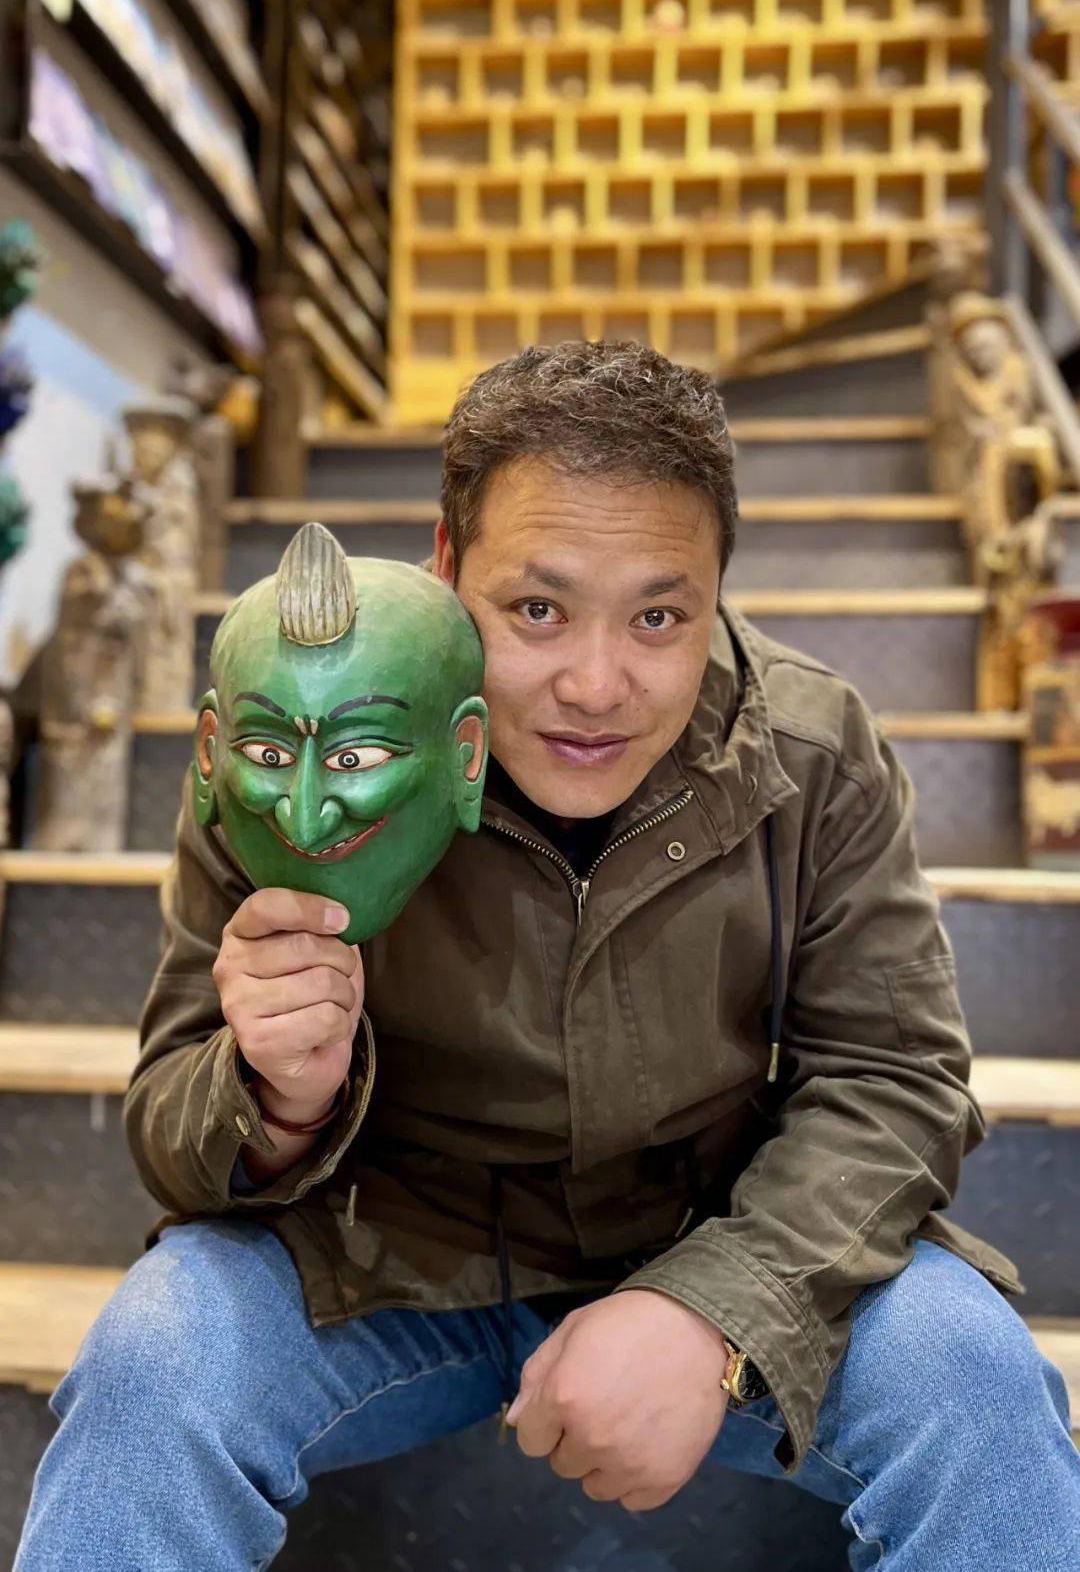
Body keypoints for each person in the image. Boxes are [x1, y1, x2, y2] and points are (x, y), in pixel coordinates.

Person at [16, 341, 1080, 1570]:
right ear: (446, 563)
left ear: (719, 593)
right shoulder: (300, 750)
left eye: (659, 616)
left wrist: (715, 1310)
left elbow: (894, 1083)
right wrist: (273, 1101)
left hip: (722, 1226)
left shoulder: (813, 748)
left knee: (977, 1382)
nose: (595, 683)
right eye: (537, 609)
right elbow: (167, 1120)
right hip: (380, 1262)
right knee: (155, 1360)